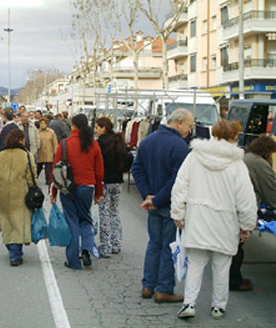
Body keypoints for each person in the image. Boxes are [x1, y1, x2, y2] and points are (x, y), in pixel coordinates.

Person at [171, 120, 257, 320]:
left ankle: (189, 303)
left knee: (195, 263)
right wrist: (246, 225)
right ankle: (218, 306)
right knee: (221, 266)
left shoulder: (194, 157)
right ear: (234, 138)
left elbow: (180, 187)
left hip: (198, 218)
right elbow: (245, 198)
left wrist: (178, 214)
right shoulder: (237, 164)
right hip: (225, 222)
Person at [131, 108, 194, 303]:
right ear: (180, 122)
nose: (190, 131)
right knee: (168, 246)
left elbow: (137, 169)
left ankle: (148, 285)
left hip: (153, 204)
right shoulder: (181, 147)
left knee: (154, 244)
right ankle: (164, 289)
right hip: (169, 205)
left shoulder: (148, 140)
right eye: (190, 126)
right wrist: (157, 199)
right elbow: (178, 181)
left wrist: (148, 195)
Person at [51, 114, 104, 270]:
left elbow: (56, 170)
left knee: (72, 220)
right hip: (87, 186)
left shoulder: (65, 144)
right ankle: (87, 248)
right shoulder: (93, 145)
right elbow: (99, 172)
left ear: (73, 126)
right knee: (85, 219)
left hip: (68, 188)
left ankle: (73, 261)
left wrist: (54, 192)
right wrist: (99, 193)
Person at [230, 135, 276, 291]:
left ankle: (229, 279)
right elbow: (272, 191)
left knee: (231, 245)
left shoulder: (246, 156)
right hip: (243, 208)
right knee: (237, 246)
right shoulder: (259, 163)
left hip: (231, 206)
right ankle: (234, 281)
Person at [0, 129, 37, 266]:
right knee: (18, 222)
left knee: (7, 222)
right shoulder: (26, 155)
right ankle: (15, 253)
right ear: (21, 140)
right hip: (20, 193)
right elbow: (32, 176)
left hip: (3, 193)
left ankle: (11, 247)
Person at [95, 117, 133, 258]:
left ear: (104, 127)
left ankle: (106, 246)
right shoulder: (118, 140)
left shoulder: (99, 144)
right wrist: (122, 169)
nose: (96, 130)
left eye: (98, 127)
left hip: (104, 181)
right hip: (117, 181)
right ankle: (116, 243)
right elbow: (129, 157)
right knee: (114, 211)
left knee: (104, 212)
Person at [37, 117, 58, 185]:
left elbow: (55, 143)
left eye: (43, 123)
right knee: (38, 168)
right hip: (40, 153)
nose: (42, 124)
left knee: (48, 169)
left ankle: (48, 181)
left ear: (46, 124)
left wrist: (56, 153)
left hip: (49, 153)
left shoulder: (51, 132)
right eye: (40, 123)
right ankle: (35, 180)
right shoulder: (37, 132)